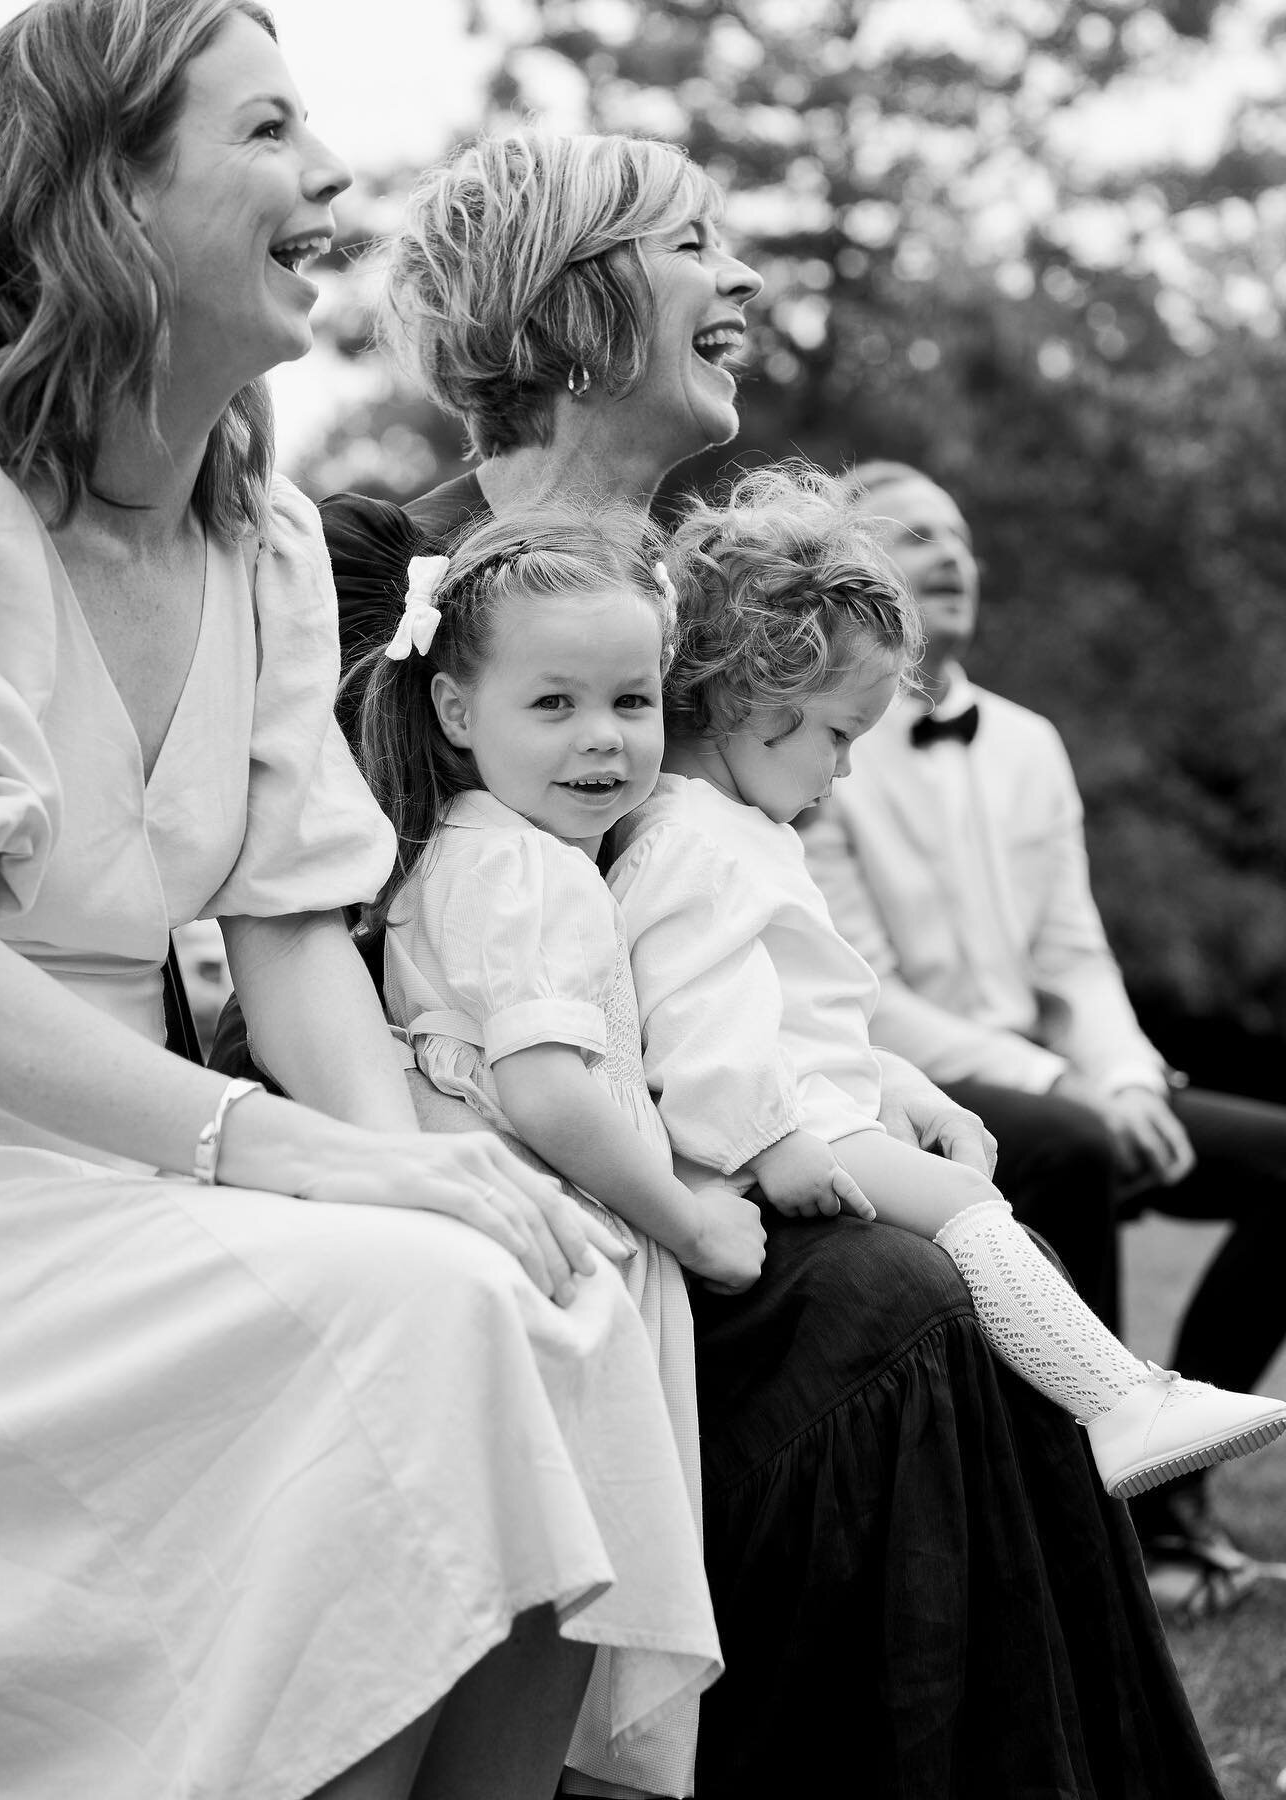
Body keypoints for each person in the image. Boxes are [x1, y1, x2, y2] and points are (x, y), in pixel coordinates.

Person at [214, 128, 1228, 1797]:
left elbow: (773, 929)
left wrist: (909, 1084)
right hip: (513, 1172)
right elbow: (287, 934)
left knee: (956, 1244)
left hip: (720, 1138)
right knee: (891, 1300)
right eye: (695, 244)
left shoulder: (721, 605)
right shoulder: (380, 580)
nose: (742, 277)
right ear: (575, 302)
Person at [0, 11, 727, 1798]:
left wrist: (437, 1173)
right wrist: (335, 1167)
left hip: (147, 1157)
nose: (330, 175)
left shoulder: (253, 537)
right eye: (265, 130)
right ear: (103, 193)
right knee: (429, 1309)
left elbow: (298, 939)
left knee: (540, 1288)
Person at [608, 458, 1286, 1503]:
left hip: (832, 1106)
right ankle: (1117, 1405)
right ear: (754, 691)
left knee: (987, 1192)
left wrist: (916, 1091)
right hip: (782, 1135)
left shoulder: (746, 825)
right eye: (838, 737)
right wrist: (775, 1144)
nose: (841, 771)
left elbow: (837, 1010)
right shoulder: (691, 843)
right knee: (970, 1206)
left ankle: (1121, 1416)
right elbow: (695, 1028)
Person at [801, 456, 1286, 1610]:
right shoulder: (816, 743)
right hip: (915, 1079)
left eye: (959, 533)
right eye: (914, 535)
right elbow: (861, 988)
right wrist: (1064, 1083)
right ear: (856, 572)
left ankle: (1174, 1492)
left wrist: (1121, 1073)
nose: (952, 554)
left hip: (1064, 1065)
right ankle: (1094, 1526)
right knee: (1064, 1142)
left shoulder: (1029, 740)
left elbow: (1074, 951)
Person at [351, 508, 764, 1795]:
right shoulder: (527, 872)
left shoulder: (470, 852)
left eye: (633, 700)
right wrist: (690, 1221)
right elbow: (545, 1092)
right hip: (563, 1262)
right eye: (556, 703)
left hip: (521, 1252)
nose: (604, 736)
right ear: (459, 713)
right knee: (574, 1584)